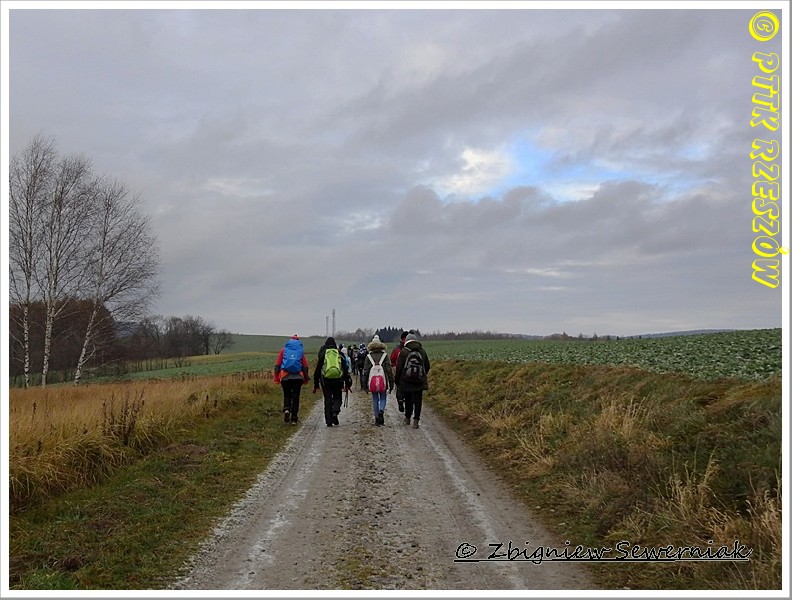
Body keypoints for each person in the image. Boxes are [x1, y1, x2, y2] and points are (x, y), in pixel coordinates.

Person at [313, 337, 352, 426]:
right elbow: (345, 369)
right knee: (337, 397)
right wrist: (347, 383)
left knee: (328, 399)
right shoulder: (339, 354)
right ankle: (335, 411)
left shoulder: (323, 354)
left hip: (325, 380)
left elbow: (317, 370)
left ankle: (329, 421)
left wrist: (316, 385)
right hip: (338, 380)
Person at [395, 332, 430, 428]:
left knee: (408, 399)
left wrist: (397, 380)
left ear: (407, 341)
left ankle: (407, 418)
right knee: (418, 400)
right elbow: (427, 366)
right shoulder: (422, 351)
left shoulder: (404, 351)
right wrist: (421, 375)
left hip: (406, 380)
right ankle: (416, 421)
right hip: (419, 381)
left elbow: (399, 367)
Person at [273, 334, 310, 425]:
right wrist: (305, 378)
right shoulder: (300, 351)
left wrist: (276, 378)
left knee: (287, 394)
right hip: (298, 377)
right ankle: (294, 419)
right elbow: (305, 366)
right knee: (296, 397)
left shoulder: (283, 350)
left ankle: (287, 409)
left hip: (285, 376)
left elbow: (277, 365)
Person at [363, 334, 395, 426]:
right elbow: (389, 371)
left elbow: (365, 372)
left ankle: (377, 418)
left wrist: (364, 385)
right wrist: (391, 384)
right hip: (383, 381)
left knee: (375, 399)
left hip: (373, 382)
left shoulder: (368, 357)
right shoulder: (385, 356)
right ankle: (381, 411)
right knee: (383, 397)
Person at [389, 330, 409, 413]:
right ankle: (407, 404)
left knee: (399, 386)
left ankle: (400, 399)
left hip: (398, 369)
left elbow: (392, 359)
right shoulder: (410, 348)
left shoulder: (397, 349)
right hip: (409, 371)